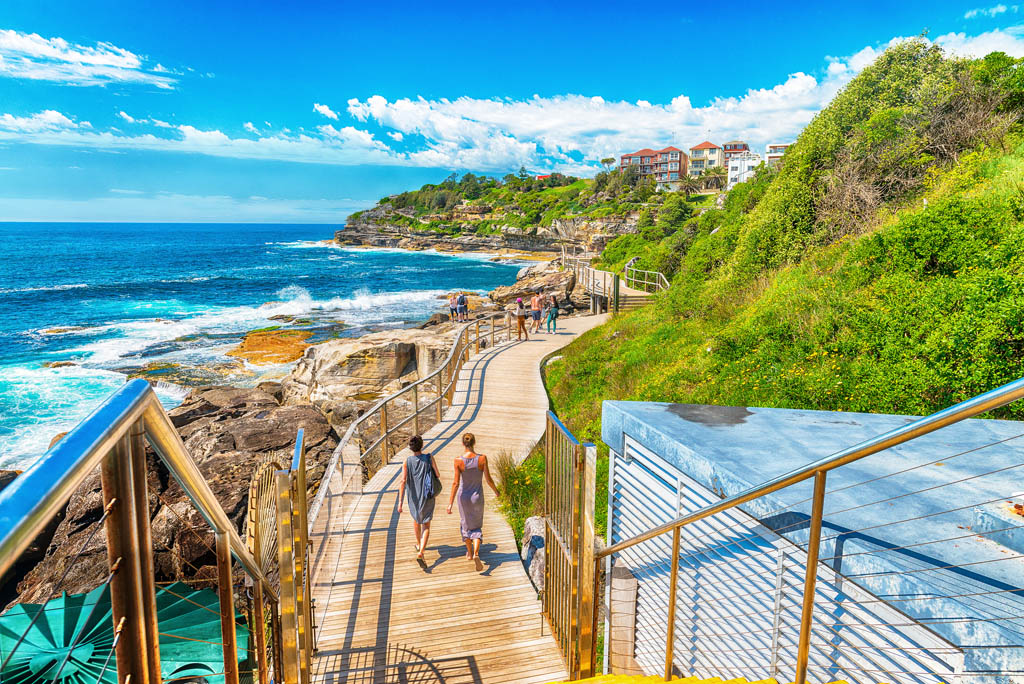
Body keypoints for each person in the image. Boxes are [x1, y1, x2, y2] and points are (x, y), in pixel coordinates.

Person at [447, 432, 499, 567]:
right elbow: (488, 479)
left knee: (465, 525)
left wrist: (450, 503)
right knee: (476, 526)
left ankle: (469, 553)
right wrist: (496, 492)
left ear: (463, 443)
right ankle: (476, 553)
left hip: (463, 497)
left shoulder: (458, 460)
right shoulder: (482, 459)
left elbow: (455, 483)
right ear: (474, 443)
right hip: (477, 497)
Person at [397, 435, 441, 561]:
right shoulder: (429, 457)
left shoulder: (407, 461)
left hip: (414, 497)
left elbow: (403, 481)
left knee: (416, 520)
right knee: (426, 525)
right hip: (427, 495)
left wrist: (400, 503)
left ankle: (418, 544)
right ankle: (421, 550)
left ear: (410, 447)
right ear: (422, 445)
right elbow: (437, 474)